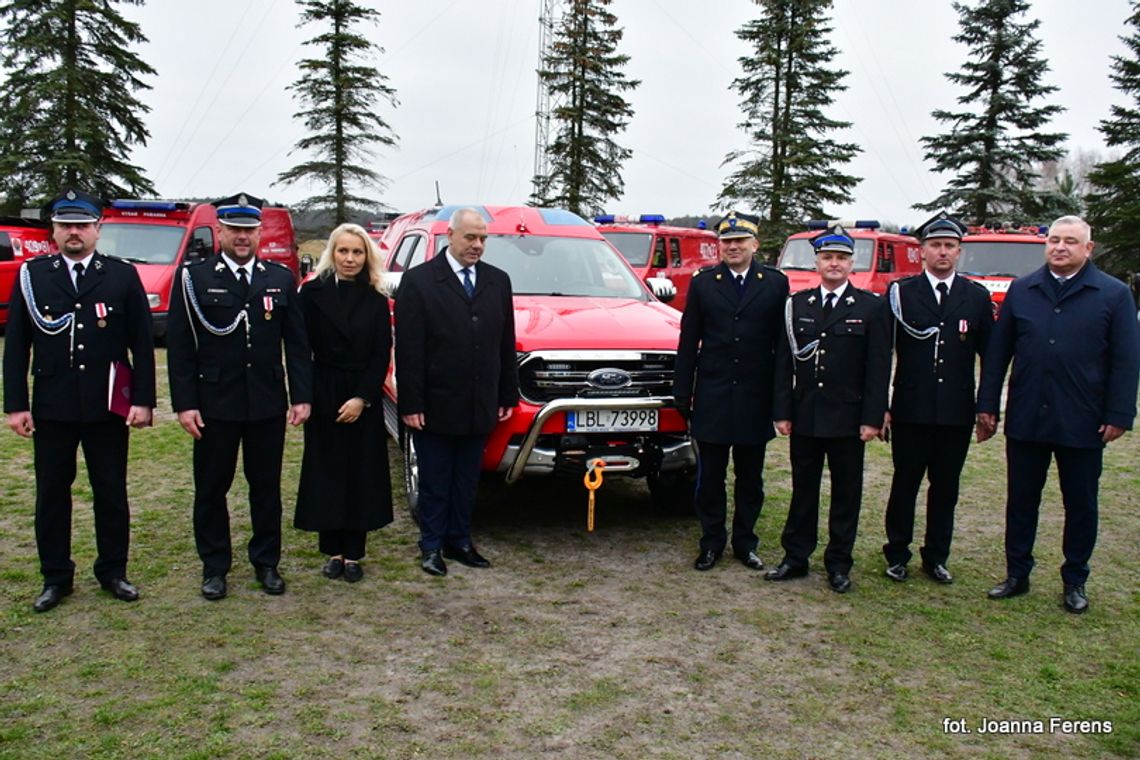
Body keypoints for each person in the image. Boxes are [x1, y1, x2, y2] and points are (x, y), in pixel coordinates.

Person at [976, 215, 1139, 614]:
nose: (1060, 247)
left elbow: (1126, 360)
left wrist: (1119, 413)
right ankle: (1017, 573)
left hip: (1082, 420)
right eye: (1053, 240)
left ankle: (1075, 579)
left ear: (1088, 248)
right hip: (1028, 415)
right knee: (1021, 501)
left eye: (1070, 241)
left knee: (1080, 503)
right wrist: (986, 406)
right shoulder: (1023, 290)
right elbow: (998, 356)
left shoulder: (1113, 295)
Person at [3, 188, 155, 612]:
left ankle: (113, 572)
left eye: (82, 225)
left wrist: (142, 400)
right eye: (66, 225)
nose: (74, 232)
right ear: (53, 230)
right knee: (52, 493)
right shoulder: (33, 276)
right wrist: (16, 404)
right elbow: (16, 345)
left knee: (110, 490)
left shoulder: (121, 275)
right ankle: (56, 578)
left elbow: (142, 344)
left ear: (97, 229)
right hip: (52, 406)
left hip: (106, 406)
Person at [166, 193, 312, 600]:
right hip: (215, 403)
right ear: (220, 231)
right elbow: (180, 347)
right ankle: (214, 566)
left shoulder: (280, 278)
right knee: (211, 488)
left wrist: (301, 395)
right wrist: (185, 403)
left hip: (266, 401)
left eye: (249, 230)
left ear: (260, 232)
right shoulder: (194, 278)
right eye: (234, 229)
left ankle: (267, 562)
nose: (242, 237)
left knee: (265, 487)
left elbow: (296, 344)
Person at [394, 207, 518, 577]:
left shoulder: (498, 281)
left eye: (483, 238)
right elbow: (409, 348)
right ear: (450, 235)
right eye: (470, 237)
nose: (477, 245)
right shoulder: (419, 281)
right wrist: (411, 402)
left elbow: (504, 343)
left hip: (480, 401)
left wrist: (506, 394)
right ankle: (431, 545)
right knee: (435, 479)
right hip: (434, 403)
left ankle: (459, 540)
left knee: (467, 479)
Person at [766, 225, 890, 593]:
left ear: (852, 263)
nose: (834, 264)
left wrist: (872, 417)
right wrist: (782, 411)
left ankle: (839, 563)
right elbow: (783, 364)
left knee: (846, 493)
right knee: (803, 490)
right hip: (806, 413)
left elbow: (878, 367)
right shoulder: (797, 305)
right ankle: (795, 557)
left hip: (849, 418)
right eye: (827, 257)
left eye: (841, 258)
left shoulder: (870, 307)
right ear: (817, 262)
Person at [673, 211, 792, 572]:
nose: (733, 247)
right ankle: (711, 542)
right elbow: (689, 339)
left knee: (750, 478)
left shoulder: (774, 283)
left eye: (740, 241)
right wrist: (683, 392)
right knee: (710, 477)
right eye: (726, 242)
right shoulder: (704, 283)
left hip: (755, 396)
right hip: (713, 393)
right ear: (719, 246)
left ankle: (745, 542)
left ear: (755, 244)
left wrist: (781, 401)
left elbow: (783, 347)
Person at [880, 212, 993, 585]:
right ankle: (897, 554)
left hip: (955, 411)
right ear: (922, 251)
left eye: (950, 246)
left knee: (946, 488)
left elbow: (989, 357)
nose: (942, 252)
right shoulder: (901, 293)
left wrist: (986, 407)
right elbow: (882, 353)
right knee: (905, 485)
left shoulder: (975, 297)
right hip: (911, 409)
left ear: (959, 252)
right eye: (935, 246)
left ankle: (936, 556)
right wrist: (879, 405)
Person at [294, 223, 393, 582]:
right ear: (331, 253)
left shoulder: (377, 298)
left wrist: (362, 398)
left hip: (361, 395)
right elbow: (300, 350)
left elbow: (382, 353)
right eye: (343, 251)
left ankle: (354, 553)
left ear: (367, 256)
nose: (350, 259)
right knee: (328, 472)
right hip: (324, 392)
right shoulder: (312, 293)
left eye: (357, 252)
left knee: (360, 473)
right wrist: (305, 396)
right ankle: (332, 550)